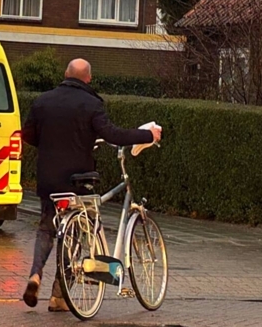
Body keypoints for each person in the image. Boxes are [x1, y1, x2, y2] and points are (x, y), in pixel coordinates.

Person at [20, 58, 161, 312]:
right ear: (89, 79)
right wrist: (147, 134)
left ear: (65, 74)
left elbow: (28, 134)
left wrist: (50, 145)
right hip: (78, 180)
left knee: (46, 228)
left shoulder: (43, 101)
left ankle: (35, 274)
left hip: (48, 179)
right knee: (75, 234)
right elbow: (113, 135)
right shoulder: (92, 104)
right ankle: (59, 296)